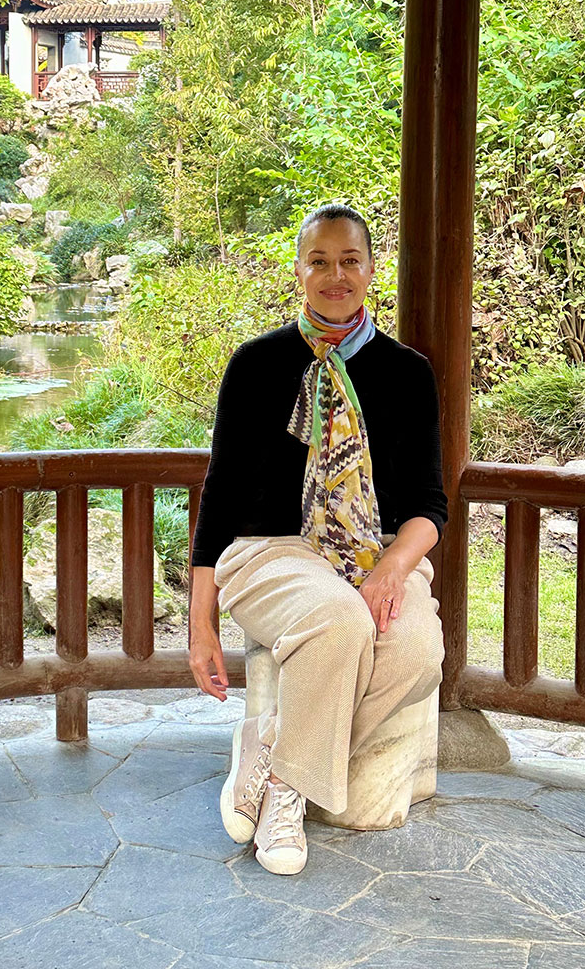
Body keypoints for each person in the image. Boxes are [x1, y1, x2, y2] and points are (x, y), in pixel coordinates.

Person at [188, 202, 448, 876]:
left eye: (350, 260)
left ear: (371, 269)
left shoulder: (409, 373)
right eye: (320, 261)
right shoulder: (256, 365)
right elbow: (218, 498)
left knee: (418, 649)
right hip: (270, 551)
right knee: (339, 619)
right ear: (299, 271)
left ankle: (272, 761)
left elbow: (428, 506)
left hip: (374, 549)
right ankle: (287, 797)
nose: (337, 275)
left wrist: (392, 568)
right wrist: (201, 624)